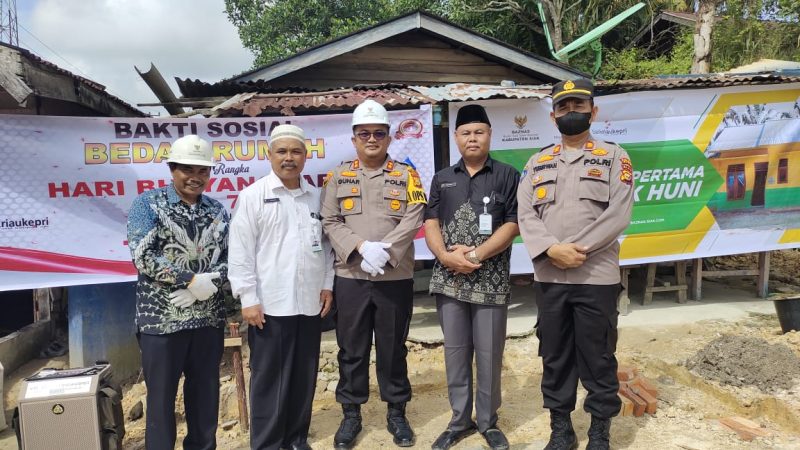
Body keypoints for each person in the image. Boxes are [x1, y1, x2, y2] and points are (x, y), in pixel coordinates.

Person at [517, 78, 634, 450]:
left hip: (595, 277)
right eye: (564, 108)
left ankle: (599, 430)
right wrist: (552, 249)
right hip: (550, 277)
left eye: (579, 106)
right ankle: (561, 428)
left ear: (593, 111)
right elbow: (525, 213)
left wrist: (575, 249)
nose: (572, 113)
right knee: (554, 354)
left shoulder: (615, 157)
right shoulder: (537, 162)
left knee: (598, 355)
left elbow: (618, 214)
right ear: (553, 116)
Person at [321, 99, 426, 449]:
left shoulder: (407, 174)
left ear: (389, 137)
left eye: (378, 133)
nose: (371, 139)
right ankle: (351, 414)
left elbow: (415, 215)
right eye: (364, 133)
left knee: (393, 348)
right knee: (351, 350)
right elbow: (330, 219)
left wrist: (386, 252)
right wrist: (361, 248)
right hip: (350, 276)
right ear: (353, 138)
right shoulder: (338, 175)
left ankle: (397, 412)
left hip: (394, 277)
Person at [228, 124, 334, 450]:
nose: (289, 158)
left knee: (303, 378)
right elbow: (241, 252)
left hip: (309, 302)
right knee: (269, 380)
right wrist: (247, 298)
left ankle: (295, 438)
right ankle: (267, 443)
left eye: (296, 151)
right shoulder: (253, 196)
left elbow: (327, 248)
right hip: (269, 306)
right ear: (269, 155)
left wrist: (327, 286)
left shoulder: (316, 197)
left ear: (306, 156)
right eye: (282, 152)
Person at [424, 104, 519, 450]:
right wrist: (446, 256)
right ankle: (459, 420)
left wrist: (476, 255)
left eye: (479, 132)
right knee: (456, 351)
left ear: (490, 135)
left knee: (490, 352)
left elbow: (512, 223)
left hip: (490, 280)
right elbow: (430, 221)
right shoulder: (442, 177)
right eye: (466, 133)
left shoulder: (507, 175)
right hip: (450, 279)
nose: (472, 138)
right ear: (456, 138)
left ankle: (489, 422)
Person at [127, 134, 229, 450]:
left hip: (207, 319)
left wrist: (206, 286)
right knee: (160, 400)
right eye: (187, 169)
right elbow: (143, 256)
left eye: (203, 171)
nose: (195, 177)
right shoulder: (148, 205)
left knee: (204, 396)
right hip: (162, 322)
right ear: (172, 169)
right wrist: (188, 280)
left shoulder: (218, 211)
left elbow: (231, 259)